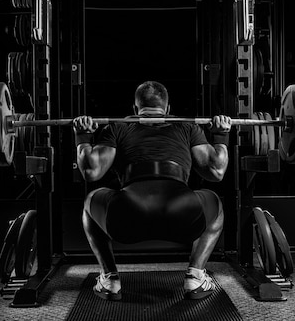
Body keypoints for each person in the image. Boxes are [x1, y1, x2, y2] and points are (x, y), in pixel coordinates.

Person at [72, 80, 231, 301]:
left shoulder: (118, 126)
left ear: (135, 108)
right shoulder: (187, 126)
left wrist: (83, 137)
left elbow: (91, 172)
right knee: (215, 203)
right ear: (167, 108)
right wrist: (221, 135)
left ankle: (110, 280)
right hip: (182, 217)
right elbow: (216, 171)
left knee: (90, 202)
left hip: (128, 217)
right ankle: (195, 277)